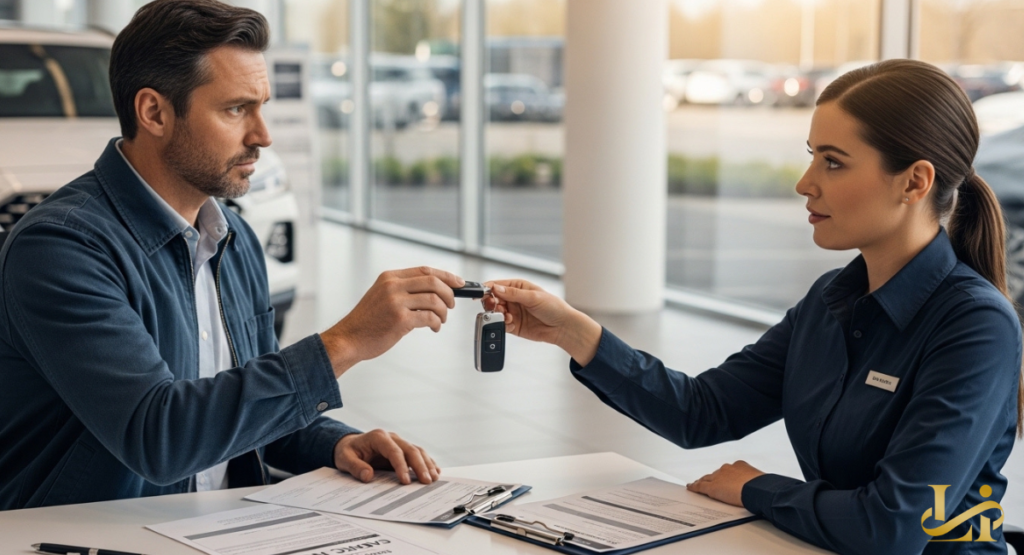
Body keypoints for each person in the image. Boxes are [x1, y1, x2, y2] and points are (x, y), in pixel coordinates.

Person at [483, 60, 1022, 555]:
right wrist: (575, 333)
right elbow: (703, 411)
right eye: (812, 155)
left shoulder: (976, 327)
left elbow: (892, 526)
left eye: (833, 163)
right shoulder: (831, 300)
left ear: (914, 182)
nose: (804, 183)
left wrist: (756, 488)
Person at [0, 0, 462, 510]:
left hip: (209, 528)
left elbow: (243, 410)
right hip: (84, 537)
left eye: (262, 106)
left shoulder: (232, 238)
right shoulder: (61, 248)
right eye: (236, 109)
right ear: (153, 112)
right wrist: (347, 341)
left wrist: (331, 442)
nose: (263, 136)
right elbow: (160, 436)